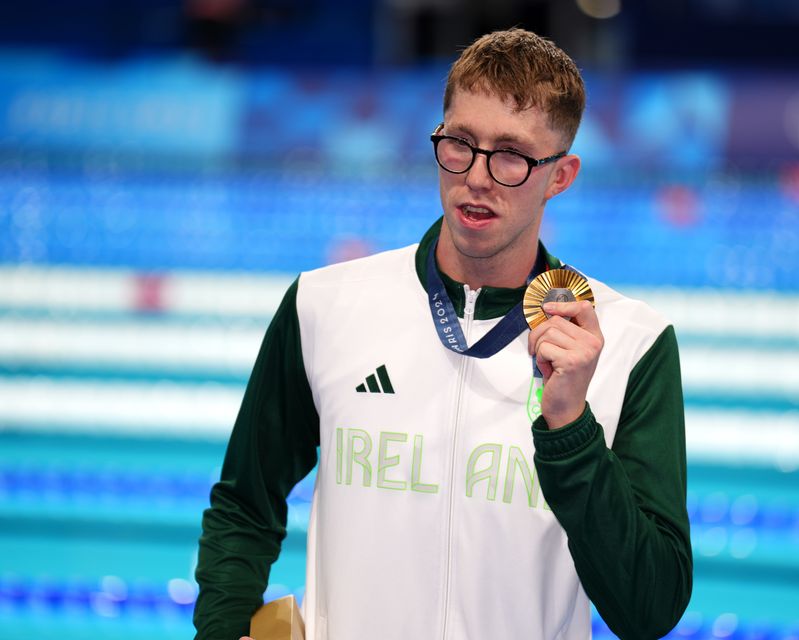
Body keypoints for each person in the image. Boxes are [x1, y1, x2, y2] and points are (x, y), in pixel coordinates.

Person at [194, 27, 692, 640]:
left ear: (560, 176)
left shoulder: (632, 344)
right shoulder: (324, 306)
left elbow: (651, 611)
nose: (476, 177)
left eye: (511, 154)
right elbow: (245, 505)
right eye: (460, 143)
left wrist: (571, 430)